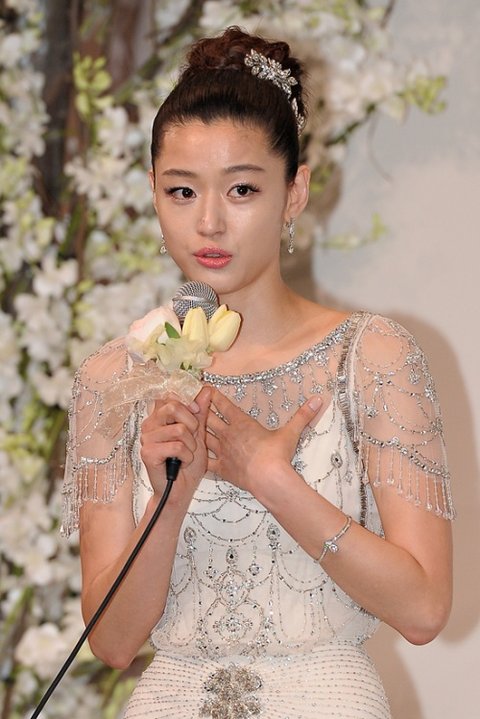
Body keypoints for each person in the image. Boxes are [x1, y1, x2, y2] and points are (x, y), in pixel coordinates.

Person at [62, 26, 455, 719]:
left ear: (294, 193)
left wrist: (272, 479)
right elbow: (114, 642)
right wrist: (168, 501)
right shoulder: (113, 378)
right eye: (182, 192)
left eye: (241, 189)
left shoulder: (371, 356)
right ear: (153, 192)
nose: (209, 223)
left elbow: (423, 609)